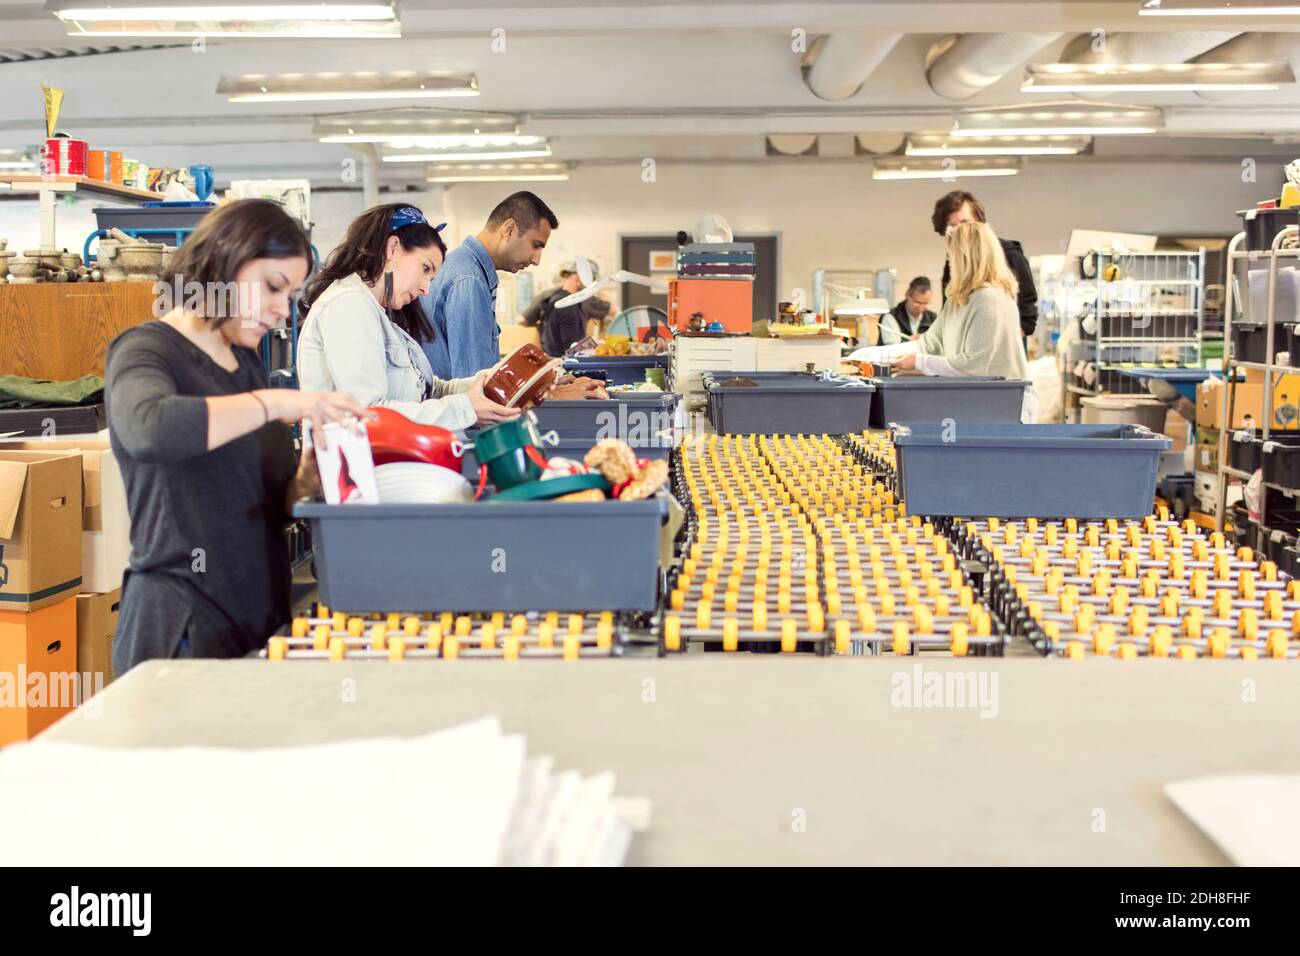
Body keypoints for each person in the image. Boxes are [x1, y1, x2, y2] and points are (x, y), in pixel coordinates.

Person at [105, 199, 370, 673]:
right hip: (183, 627)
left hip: (256, 614)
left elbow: (263, 504)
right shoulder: (146, 351)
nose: (279, 308)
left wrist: (303, 484)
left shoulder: (246, 363)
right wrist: (282, 402)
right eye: (271, 287)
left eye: (288, 295)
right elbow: (150, 428)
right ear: (224, 264)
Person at [296, 203, 520, 431]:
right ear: (392, 249)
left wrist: (496, 381)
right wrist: (465, 410)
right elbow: (369, 412)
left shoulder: (379, 314)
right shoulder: (348, 304)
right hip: (356, 464)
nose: (426, 289)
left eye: (431, 279)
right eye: (425, 269)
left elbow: (429, 389)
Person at [420, 191, 605, 398]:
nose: (536, 260)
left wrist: (538, 385)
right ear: (509, 230)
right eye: (536, 245)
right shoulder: (469, 281)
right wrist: (549, 397)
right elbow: (477, 392)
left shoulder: (467, 269)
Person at [850, 221, 1036, 422]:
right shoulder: (957, 301)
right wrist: (872, 354)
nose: (949, 263)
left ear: (967, 258)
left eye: (952, 255)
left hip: (1006, 410)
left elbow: (974, 368)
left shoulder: (990, 300)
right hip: (977, 405)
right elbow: (927, 344)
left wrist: (919, 362)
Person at [932, 190, 1038, 339]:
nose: (960, 232)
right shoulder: (952, 265)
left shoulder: (1010, 255)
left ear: (980, 223)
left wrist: (999, 345)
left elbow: (1027, 317)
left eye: (965, 223)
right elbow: (949, 311)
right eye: (952, 227)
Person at [521, 257, 612, 356]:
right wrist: (599, 349)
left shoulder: (559, 299)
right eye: (590, 280)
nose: (591, 286)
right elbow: (573, 347)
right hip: (564, 366)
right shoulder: (568, 306)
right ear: (578, 279)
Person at [879, 276, 936, 343]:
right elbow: (894, 349)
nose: (921, 307)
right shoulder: (891, 317)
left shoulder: (933, 318)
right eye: (917, 302)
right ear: (907, 295)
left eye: (925, 303)